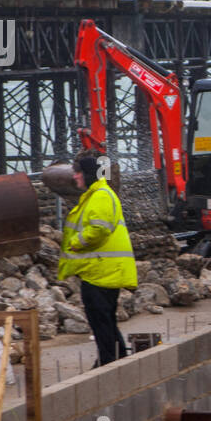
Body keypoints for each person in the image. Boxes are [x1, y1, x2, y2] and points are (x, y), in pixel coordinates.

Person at [57, 153, 136, 365]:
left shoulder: (100, 195)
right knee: (106, 320)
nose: (75, 177)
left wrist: (76, 242)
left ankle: (108, 361)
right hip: (103, 270)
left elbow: (98, 229)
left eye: (78, 173)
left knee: (100, 319)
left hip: (102, 272)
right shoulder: (98, 194)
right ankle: (116, 358)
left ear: (88, 175)